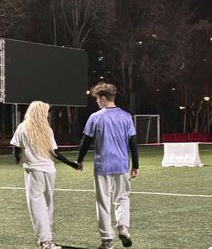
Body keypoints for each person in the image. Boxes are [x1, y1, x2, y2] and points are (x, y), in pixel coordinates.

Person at [76, 83, 139, 249]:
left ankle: (107, 241)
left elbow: (86, 141)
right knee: (122, 198)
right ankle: (123, 227)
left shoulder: (95, 117)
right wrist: (136, 165)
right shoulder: (126, 116)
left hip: (103, 165)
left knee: (103, 203)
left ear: (103, 98)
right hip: (122, 165)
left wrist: (80, 159)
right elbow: (133, 142)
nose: (96, 102)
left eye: (97, 98)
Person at [10, 101, 78, 249]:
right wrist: (71, 164)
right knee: (48, 205)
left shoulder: (23, 127)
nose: (47, 114)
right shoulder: (47, 129)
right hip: (49, 171)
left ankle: (45, 241)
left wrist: (18, 158)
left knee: (36, 206)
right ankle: (48, 238)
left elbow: (15, 146)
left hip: (33, 171)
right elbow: (55, 153)